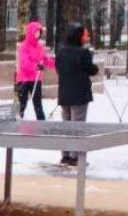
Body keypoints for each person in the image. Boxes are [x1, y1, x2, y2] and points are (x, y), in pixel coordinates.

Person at [55, 23, 99, 166]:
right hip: (79, 93)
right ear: (79, 36)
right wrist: (94, 67)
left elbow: (58, 69)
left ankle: (65, 155)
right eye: (85, 34)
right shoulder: (83, 52)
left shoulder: (61, 52)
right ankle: (76, 156)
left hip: (64, 93)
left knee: (66, 125)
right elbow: (91, 70)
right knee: (78, 125)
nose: (87, 37)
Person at [15, 20, 55, 120]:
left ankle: (41, 121)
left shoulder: (40, 47)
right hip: (24, 78)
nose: (38, 34)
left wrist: (56, 64)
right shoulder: (24, 46)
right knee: (22, 103)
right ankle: (18, 120)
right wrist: (36, 66)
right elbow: (24, 62)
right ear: (30, 33)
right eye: (36, 32)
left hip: (36, 79)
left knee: (38, 103)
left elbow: (45, 59)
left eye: (39, 32)